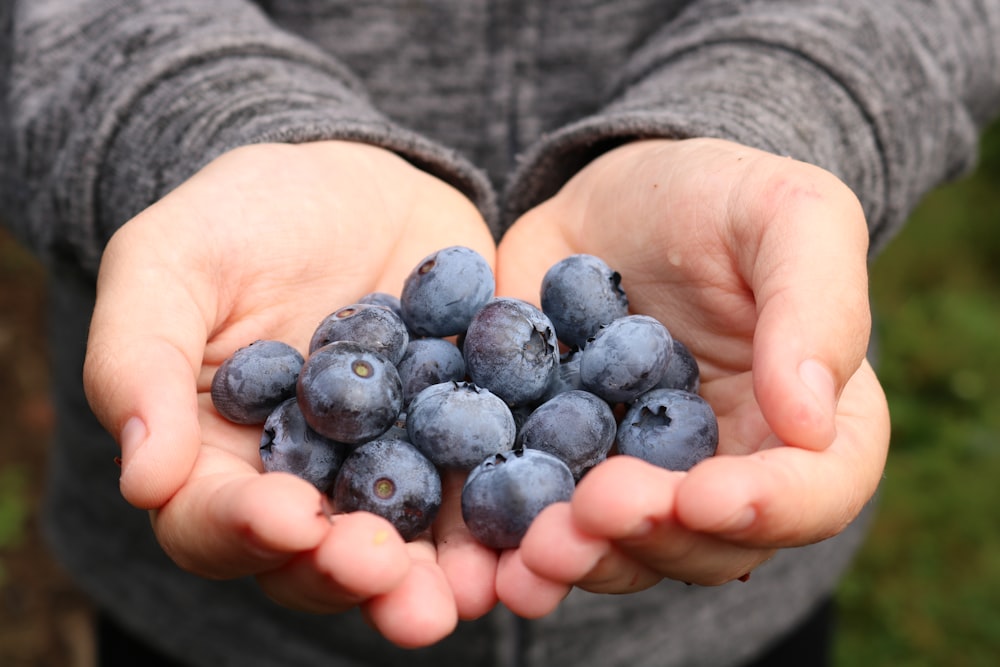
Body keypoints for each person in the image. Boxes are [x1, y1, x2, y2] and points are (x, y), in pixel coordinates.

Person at [1, 1, 998, 665]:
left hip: (713, 612)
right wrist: (186, 126)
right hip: (217, 622)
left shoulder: (571, 374)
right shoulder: (382, 383)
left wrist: (772, 117)